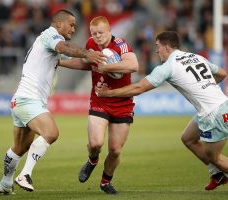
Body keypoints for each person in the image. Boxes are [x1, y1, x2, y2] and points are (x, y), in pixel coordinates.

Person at [16, 16, 139, 194]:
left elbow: (133, 65)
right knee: (96, 144)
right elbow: (85, 64)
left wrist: (106, 67)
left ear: (109, 31)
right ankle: (92, 160)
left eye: (101, 33)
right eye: (94, 33)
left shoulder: (120, 44)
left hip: (122, 103)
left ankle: (105, 182)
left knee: (115, 150)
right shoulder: (90, 44)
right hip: (99, 100)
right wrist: (60, 62)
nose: (97, 36)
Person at [95, 31, 228, 190]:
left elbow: (139, 87)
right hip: (221, 104)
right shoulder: (196, 57)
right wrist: (207, 88)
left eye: (157, 46)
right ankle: (217, 175)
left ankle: (218, 170)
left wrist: (107, 93)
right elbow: (222, 73)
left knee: (213, 157)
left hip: (213, 114)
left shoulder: (168, 66)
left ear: (166, 46)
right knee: (188, 138)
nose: (156, 51)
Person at [0, 9, 105, 195]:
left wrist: (103, 64)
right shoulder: (50, 35)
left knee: (20, 147)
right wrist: (87, 53)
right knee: (51, 133)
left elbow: (72, 60)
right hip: (29, 99)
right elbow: (64, 49)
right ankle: (25, 175)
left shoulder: (49, 45)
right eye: (71, 24)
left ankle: (5, 183)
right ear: (59, 24)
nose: (74, 28)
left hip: (21, 100)